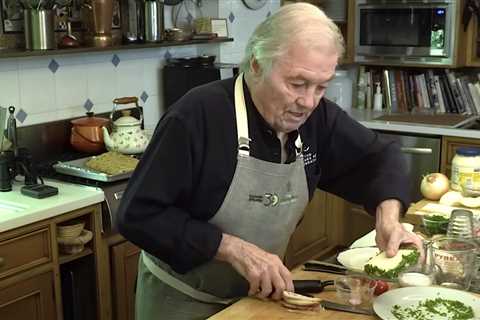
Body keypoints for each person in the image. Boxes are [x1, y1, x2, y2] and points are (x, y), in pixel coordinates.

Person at [117, 3, 423, 319]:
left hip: (257, 301)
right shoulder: (196, 116)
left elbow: (380, 156)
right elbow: (137, 215)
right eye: (297, 83)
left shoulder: (318, 118)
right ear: (257, 65)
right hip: (182, 301)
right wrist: (232, 248)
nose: (308, 102)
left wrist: (388, 217)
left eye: (321, 87)